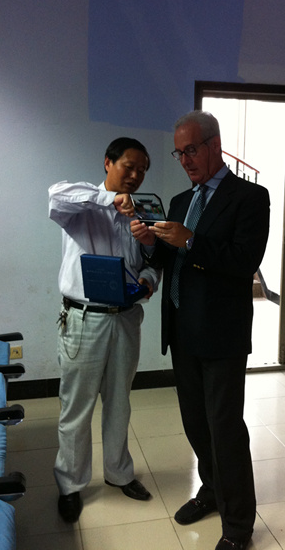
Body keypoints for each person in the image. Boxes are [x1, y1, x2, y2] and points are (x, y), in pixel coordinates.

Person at [131, 111, 270, 550]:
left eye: (191, 150)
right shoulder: (178, 202)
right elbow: (167, 260)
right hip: (182, 331)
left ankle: (239, 526)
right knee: (195, 423)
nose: (185, 160)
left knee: (225, 428)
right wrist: (150, 244)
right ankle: (211, 490)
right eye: (179, 153)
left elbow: (244, 261)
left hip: (221, 335)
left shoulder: (250, 197)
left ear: (215, 145)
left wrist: (191, 240)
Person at [49, 137, 161, 523]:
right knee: (77, 407)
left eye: (142, 170)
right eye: (129, 166)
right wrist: (108, 200)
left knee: (119, 402)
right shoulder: (82, 206)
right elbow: (56, 195)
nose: (136, 175)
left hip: (126, 318)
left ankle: (118, 473)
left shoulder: (142, 214)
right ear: (108, 163)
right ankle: (70, 484)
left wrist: (148, 279)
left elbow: (152, 262)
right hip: (85, 319)